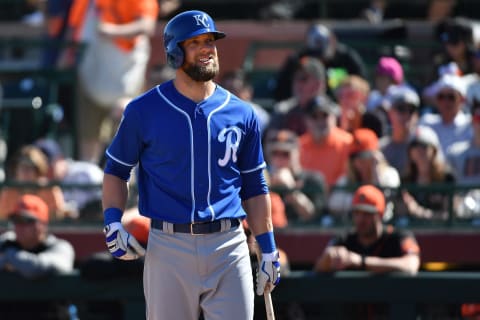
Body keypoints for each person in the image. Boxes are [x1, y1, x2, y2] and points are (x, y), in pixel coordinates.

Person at [101, 10, 280, 320]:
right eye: (195, 42)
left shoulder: (242, 113)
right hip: (168, 245)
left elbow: (255, 186)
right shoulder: (143, 110)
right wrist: (113, 221)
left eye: (210, 41)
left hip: (229, 243)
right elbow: (116, 170)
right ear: (174, 51)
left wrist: (268, 248)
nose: (207, 48)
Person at [66, 0, 160, 163]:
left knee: (127, 141)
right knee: (88, 143)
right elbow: (74, 28)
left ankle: (126, 185)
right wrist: (66, 55)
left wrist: (113, 31)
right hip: (90, 77)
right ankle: (89, 181)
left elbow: (147, 25)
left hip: (125, 80)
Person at [314, 184, 420, 319]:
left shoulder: (399, 236)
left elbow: (411, 265)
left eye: (367, 214)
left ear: (380, 214)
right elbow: (318, 268)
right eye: (356, 213)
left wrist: (361, 261)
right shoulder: (344, 239)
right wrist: (329, 257)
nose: (360, 219)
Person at [0, 194, 75, 319]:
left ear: (42, 225)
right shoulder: (6, 242)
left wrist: (9, 256)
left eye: (26, 221)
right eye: (16, 221)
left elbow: (36, 268)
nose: (19, 227)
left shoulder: (60, 247)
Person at [274, 23, 367, 101]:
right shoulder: (297, 61)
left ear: (332, 40)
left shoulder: (346, 58)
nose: (320, 61)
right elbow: (281, 92)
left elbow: (362, 85)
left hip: (339, 107)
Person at [328, 128, 400, 223]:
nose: (360, 162)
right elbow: (333, 204)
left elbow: (386, 200)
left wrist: (375, 172)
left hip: (384, 227)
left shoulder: (389, 174)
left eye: (365, 156)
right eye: (355, 158)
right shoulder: (346, 179)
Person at [264, 129, 328, 224]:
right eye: (275, 154)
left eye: (286, 154)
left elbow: (313, 216)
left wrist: (290, 188)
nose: (280, 159)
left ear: (298, 153)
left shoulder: (313, 179)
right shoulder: (265, 180)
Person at [398, 125, 457, 223]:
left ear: (434, 151)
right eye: (414, 146)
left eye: (424, 146)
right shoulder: (405, 180)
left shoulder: (447, 178)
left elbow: (450, 214)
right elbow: (400, 213)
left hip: (441, 234)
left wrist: (420, 212)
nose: (419, 151)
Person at [34, 138, 104, 219]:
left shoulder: (88, 172)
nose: (45, 171)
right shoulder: (43, 184)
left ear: (60, 158)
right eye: (40, 168)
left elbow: (102, 204)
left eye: (48, 165)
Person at [0, 144, 71, 221]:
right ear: (16, 170)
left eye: (30, 167)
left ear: (38, 170)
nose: (25, 172)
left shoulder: (49, 190)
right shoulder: (9, 192)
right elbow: (4, 221)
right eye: (22, 167)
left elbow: (56, 218)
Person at [299, 95, 352, 189]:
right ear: (306, 120)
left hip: (339, 197)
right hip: (309, 197)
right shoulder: (299, 146)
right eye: (314, 117)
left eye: (325, 116)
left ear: (333, 117)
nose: (320, 121)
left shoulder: (347, 143)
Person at [267, 56, 329, 137]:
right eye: (294, 78)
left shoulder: (333, 113)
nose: (296, 83)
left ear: (318, 84)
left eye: (303, 78)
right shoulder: (282, 112)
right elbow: (271, 143)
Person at [419, 74, 472, 158]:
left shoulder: (471, 126)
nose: (445, 102)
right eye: (441, 97)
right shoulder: (426, 123)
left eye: (451, 97)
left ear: (462, 100)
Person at [380, 86, 421, 174]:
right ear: (390, 113)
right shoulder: (381, 148)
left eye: (411, 110)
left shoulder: (423, 147)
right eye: (401, 109)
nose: (406, 115)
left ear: (417, 115)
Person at [219, 69, 271, 134]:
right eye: (225, 90)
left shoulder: (259, 116)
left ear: (249, 92)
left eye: (235, 90)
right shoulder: (212, 113)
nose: (230, 95)